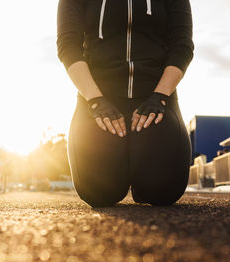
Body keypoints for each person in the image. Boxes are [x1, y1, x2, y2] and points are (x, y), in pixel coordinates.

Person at [57, 0, 194, 207]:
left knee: (163, 190)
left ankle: (139, 178)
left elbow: (182, 46)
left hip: (155, 97)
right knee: (98, 192)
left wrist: (160, 96)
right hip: (99, 96)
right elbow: (68, 46)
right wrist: (95, 101)